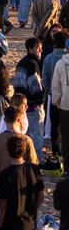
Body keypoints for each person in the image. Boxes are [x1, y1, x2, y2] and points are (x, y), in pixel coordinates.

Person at [0, 135, 44, 230]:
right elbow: (41, 195)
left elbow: (2, 204)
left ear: (8, 150)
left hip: (11, 226)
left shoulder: (6, 174)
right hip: (29, 224)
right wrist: (32, 210)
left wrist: (0, 224)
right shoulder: (34, 169)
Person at [15, 37, 45, 161]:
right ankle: (35, 160)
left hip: (22, 104)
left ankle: (24, 158)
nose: (40, 52)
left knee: (25, 134)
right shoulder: (33, 65)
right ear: (30, 49)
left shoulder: (21, 63)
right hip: (33, 105)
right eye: (38, 49)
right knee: (37, 135)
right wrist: (41, 99)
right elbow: (36, 87)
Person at [0, 107, 38, 174]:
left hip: (0, 180)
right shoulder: (27, 140)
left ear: (4, 120)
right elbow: (33, 163)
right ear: (19, 119)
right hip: (21, 180)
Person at [52, 39, 69, 170]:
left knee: (66, 137)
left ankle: (67, 167)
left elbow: (55, 87)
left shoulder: (60, 64)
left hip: (65, 105)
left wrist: (57, 102)